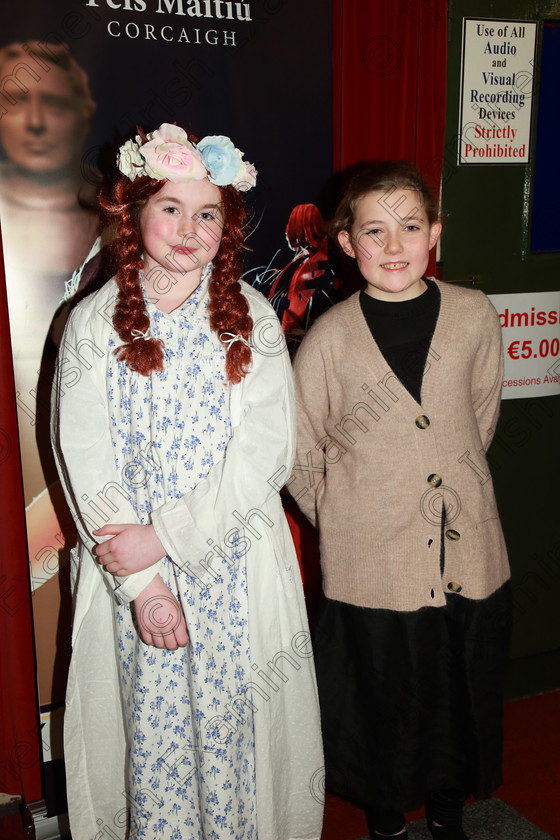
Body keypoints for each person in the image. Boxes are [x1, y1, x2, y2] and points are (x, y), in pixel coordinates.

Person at [51, 123, 323, 840]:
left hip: (231, 569)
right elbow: (85, 456)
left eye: (208, 214)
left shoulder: (252, 319)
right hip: (134, 580)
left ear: (226, 228)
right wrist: (144, 585)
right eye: (170, 207)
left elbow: (266, 453)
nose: (188, 227)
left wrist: (166, 538)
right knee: (154, 740)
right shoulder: (93, 325)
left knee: (238, 745)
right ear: (134, 211)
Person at [288, 161, 510, 840]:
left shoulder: (473, 315)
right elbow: (301, 451)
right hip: (371, 568)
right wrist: (349, 515)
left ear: (434, 233)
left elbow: (481, 413)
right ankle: (386, 821)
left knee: (456, 691)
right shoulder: (329, 338)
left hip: (469, 554)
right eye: (374, 231)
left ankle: (449, 816)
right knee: (384, 701)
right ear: (347, 243)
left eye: (410, 227)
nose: (393, 246)